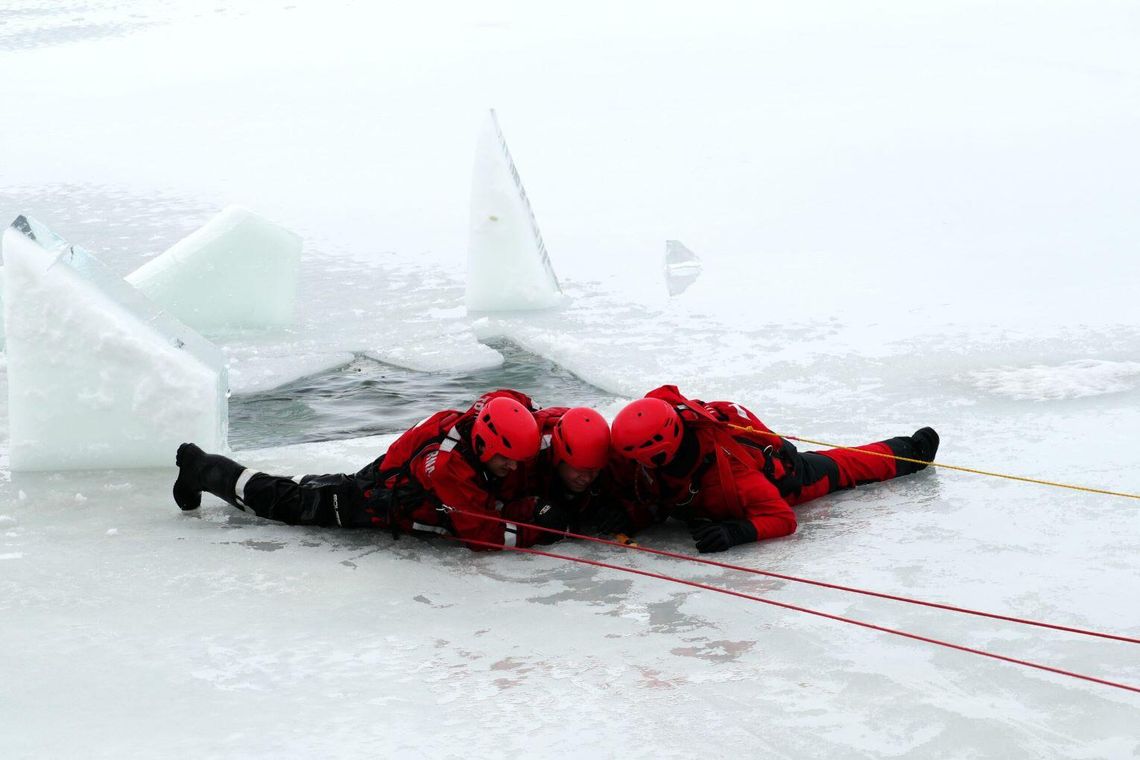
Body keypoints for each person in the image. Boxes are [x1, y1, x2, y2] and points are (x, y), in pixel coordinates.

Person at [173, 390, 568, 550]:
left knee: (304, 488)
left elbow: (537, 413)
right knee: (286, 502)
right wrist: (540, 525)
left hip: (390, 473)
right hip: (372, 500)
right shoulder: (449, 466)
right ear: (483, 444)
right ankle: (201, 468)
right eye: (505, 459)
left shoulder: (497, 410)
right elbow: (482, 535)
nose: (512, 466)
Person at [604, 385, 940, 553]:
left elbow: (783, 519)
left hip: (784, 478)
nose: (635, 465)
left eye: (641, 459)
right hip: (721, 485)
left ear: (661, 451)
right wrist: (632, 517)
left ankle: (912, 451)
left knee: (846, 466)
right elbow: (659, 497)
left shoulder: (733, 473)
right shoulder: (652, 462)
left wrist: (736, 533)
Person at [501, 406, 612, 534]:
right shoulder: (524, 460)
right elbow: (498, 506)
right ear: (559, 457)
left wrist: (618, 511)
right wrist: (534, 507)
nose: (587, 478)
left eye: (594, 470)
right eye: (580, 469)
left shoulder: (606, 453)